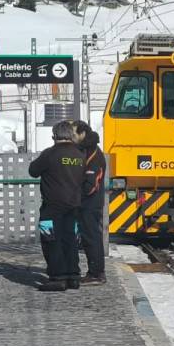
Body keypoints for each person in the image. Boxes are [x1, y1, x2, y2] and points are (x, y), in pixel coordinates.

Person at [29, 120, 84, 291]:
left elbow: (33, 171)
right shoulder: (79, 155)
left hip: (52, 206)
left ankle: (58, 277)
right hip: (74, 205)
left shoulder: (50, 154)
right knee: (70, 240)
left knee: (51, 240)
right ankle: (73, 276)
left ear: (54, 136)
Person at [75, 121, 107, 286]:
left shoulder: (94, 154)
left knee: (91, 237)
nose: (72, 138)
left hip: (90, 203)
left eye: (74, 134)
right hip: (87, 202)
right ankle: (95, 271)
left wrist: (77, 195)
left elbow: (91, 183)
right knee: (89, 237)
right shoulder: (87, 150)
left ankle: (96, 272)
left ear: (82, 134)